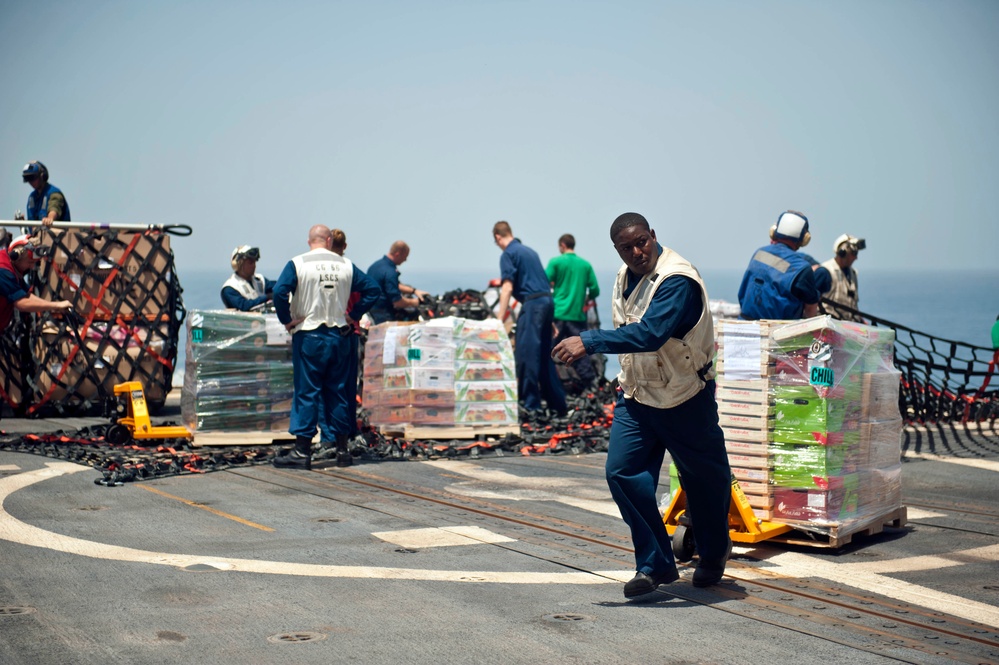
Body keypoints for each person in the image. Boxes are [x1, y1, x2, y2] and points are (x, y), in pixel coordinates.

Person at [551, 213, 731, 596]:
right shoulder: (623, 275)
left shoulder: (677, 279)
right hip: (637, 395)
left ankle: (714, 555)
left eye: (641, 242)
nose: (636, 252)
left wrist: (590, 341)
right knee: (621, 471)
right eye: (626, 247)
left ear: (653, 235)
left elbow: (650, 333)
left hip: (685, 396)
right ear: (616, 249)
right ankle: (655, 564)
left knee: (706, 482)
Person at [271, 225, 380, 469]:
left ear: (309, 241)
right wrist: (354, 314)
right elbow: (373, 289)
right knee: (339, 392)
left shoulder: (297, 263)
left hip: (309, 335)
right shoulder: (346, 265)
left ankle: (302, 451)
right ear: (329, 240)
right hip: (339, 335)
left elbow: (279, 291)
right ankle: (342, 450)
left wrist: (286, 319)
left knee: (307, 392)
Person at [492, 221, 568, 417]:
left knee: (526, 355)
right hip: (546, 303)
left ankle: (531, 404)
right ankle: (558, 405)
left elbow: (507, 287)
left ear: (498, 237)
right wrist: (548, 320)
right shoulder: (530, 252)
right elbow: (541, 284)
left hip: (533, 306)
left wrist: (499, 319)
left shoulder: (508, 254)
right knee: (544, 357)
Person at [738, 210, 820, 320]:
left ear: (774, 230)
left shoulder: (760, 253)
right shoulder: (802, 268)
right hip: (777, 333)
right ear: (805, 238)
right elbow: (811, 312)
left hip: (744, 324)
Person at [545, 233, 600, 388]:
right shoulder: (585, 265)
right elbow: (595, 289)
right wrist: (586, 299)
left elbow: (543, 282)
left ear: (562, 245)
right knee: (580, 352)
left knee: (549, 350)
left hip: (557, 315)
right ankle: (590, 386)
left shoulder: (556, 262)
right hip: (577, 315)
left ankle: (546, 383)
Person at [366, 241, 430, 324]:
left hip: (371, 311)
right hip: (384, 314)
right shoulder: (390, 272)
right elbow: (398, 302)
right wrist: (416, 302)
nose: (405, 260)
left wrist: (414, 291)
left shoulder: (376, 266)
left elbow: (393, 285)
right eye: (405, 256)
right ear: (397, 254)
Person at [820, 234, 866, 321]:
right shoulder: (825, 271)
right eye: (854, 253)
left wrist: (861, 320)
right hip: (829, 326)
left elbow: (853, 303)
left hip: (848, 326)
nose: (856, 257)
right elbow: (810, 302)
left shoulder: (853, 274)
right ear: (843, 252)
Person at [220, 245, 276, 311]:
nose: (254, 266)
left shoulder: (259, 280)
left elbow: (277, 286)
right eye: (250, 263)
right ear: (239, 264)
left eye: (254, 262)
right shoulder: (230, 287)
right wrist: (266, 297)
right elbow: (243, 306)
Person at [22, 161, 70, 226]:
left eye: (33, 177)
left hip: (56, 235)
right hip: (38, 235)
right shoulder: (32, 197)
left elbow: (54, 207)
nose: (31, 182)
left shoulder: (54, 193)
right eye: (28, 178)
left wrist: (50, 218)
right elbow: (33, 223)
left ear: (42, 176)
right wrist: (23, 222)